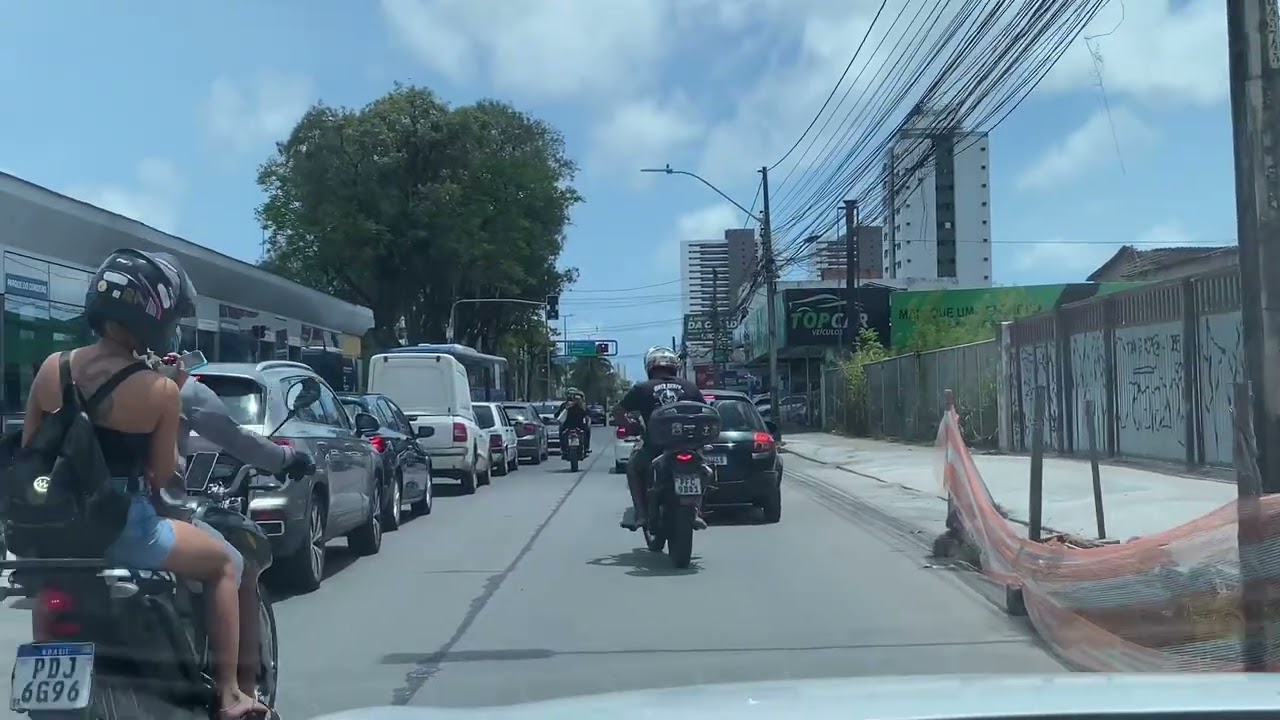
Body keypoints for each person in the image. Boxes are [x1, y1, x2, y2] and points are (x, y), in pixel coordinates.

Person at [22, 249, 266, 719]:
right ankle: (233, 692)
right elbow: (164, 478)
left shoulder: (53, 367)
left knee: (51, 586)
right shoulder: (159, 390)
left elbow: (31, 450)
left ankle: (46, 677)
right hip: (126, 529)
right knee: (226, 566)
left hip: (52, 531)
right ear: (152, 315)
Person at [162, 351, 314, 705]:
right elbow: (232, 439)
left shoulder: (64, 372)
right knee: (232, 565)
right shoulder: (169, 386)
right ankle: (237, 692)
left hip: (72, 524)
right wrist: (285, 459)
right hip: (149, 517)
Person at [613, 346, 708, 531]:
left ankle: (641, 515)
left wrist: (630, 426)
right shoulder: (690, 387)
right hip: (687, 444)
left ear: (649, 367)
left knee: (633, 467)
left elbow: (618, 412)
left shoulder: (642, 388)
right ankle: (695, 511)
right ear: (674, 367)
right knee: (705, 471)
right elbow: (704, 412)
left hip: (655, 446)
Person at [556, 388, 591, 455]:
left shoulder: (581, 405)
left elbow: (587, 415)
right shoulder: (565, 405)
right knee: (561, 432)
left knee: (587, 430)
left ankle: (586, 448)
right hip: (573, 425)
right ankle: (563, 449)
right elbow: (558, 415)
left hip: (573, 426)